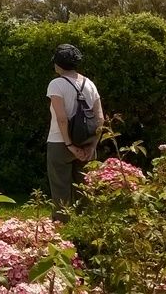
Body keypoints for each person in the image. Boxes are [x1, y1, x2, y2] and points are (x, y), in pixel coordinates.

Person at [46, 44, 104, 223]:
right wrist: (93, 145)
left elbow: (62, 118)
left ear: (58, 64)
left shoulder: (56, 84)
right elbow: (100, 118)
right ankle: (86, 228)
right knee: (86, 190)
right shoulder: (90, 84)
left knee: (60, 190)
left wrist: (69, 145)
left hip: (59, 142)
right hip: (87, 142)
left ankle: (62, 231)